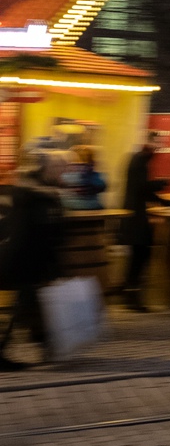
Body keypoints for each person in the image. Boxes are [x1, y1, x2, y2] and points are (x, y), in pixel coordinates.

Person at [0, 149, 68, 370]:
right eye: (57, 167)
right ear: (45, 167)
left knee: (29, 306)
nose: (61, 172)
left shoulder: (45, 191)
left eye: (63, 168)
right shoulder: (32, 192)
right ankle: (44, 346)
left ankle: (46, 346)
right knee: (25, 306)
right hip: (23, 258)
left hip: (35, 260)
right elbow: (35, 229)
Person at [120, 132, 167, 313]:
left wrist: (164, 201)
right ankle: (132, 297)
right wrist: (161, 183)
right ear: (148, 141)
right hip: (135, 216)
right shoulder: (140, 159)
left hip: (136, 215)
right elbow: (141, 188)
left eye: (161, 143)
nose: (159, 146)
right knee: (140, 255)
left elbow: (142, 189)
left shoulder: (141, 159)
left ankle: (130, 292)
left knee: (140, 254)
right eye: (157, 142)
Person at [63, 145, 107, 210]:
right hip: (75, 207)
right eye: (75, 164)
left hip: (91, 207)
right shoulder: (66, 176)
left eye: (83, 164)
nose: (79, 167)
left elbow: (101, 186)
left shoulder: (92, 176)